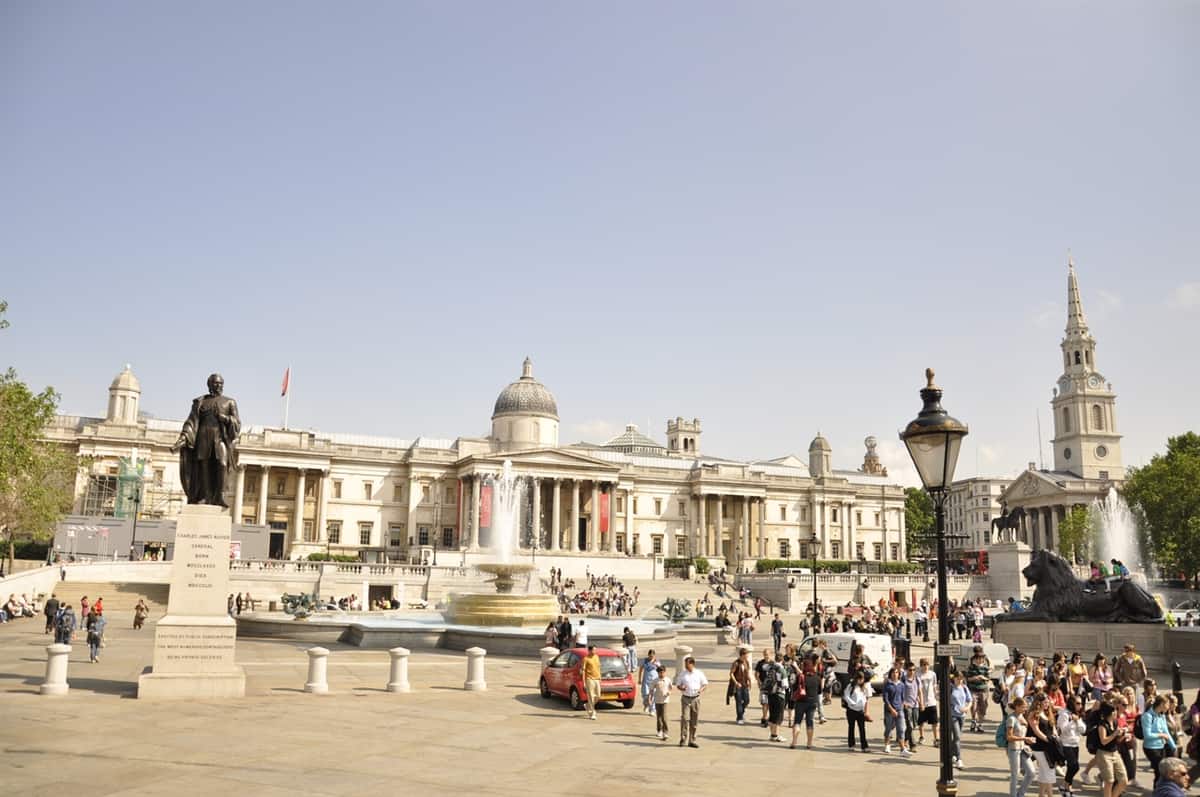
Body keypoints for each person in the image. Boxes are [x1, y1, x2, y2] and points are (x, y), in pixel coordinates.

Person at [1096, 701, 1130, 797]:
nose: (1116, 712)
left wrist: (1123, 734)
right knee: (1109, 781)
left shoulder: (1115, 722)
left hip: (1115, 753)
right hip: (1104, 754)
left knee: (1123, 780)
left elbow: (1117, 740)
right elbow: (1103, 741)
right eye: (1115, 710)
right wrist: (1115, 733)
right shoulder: (1102, 725)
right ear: (1110, 713)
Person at [1142, 695, 1177, 788]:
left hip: (1161, 747)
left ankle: (1161, 790)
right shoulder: (1147, 716)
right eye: (1167, 705)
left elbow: (1166, 732)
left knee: (1163, 771)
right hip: (1151, 748)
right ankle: (1158, 791)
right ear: (1161, 704)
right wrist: (1161, 735)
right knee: (1160, 771)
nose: (1168, 707)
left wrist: (1174, 747)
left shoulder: (1161, 716)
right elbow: (1147, 735)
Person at [1027, 694, 1059, 797]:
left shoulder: (1047, 712)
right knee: (1049, 770)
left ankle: (1041, 795)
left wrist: (1055, 737)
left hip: (1049, 746)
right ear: (1038, 703)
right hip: (1040, 747)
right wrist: (1048, 740)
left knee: (1043, 772)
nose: (1047, 704)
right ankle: (1050, 795)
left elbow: (1053, 727)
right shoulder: (1033, 714)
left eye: (1048, 702)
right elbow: (1036, 731)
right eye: (1045, 702)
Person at [674, 656, 708, 748]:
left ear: (692, 664)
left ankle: (692, 740)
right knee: (685, 718)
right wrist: (681, 687)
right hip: (685, 698)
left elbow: (705, 684)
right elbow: (677, 685)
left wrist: (701, 689)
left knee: (694, 720)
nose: (685, 666)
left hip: (695, 698)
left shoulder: (699, 673)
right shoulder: (683, 674)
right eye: (685, 664)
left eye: (687, 664)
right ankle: (683, 739)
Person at [790, 653, 823, 750]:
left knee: (797, 722)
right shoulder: (817, 678)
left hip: (801, 701)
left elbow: (795, 688)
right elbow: (819, 691)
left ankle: (794, 742)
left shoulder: (800, 677)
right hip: (812, 702)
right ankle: (809, 743)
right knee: (810, 722)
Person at [1006, 697, 1037, 797]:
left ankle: (1020, 794)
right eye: (1023, 707)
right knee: (1015, 775)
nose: (1025, 709)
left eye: (1026, 707)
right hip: (1013, 749)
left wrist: (1027, 740)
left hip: (1022, 748)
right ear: (1017, 707)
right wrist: (1025, 739)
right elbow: (1009, 737)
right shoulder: (1011, 718)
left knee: (1031, 772)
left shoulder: (1023, 716)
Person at [1059, 694, 1086, 795]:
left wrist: (1077, 720)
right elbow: (1063, 729)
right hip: (1066, 744)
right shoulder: (1064, 714)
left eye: (1081, 703)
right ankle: (1065, 785)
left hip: (1075, 744)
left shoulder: (1077, 715)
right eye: (1078, 703)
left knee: (1071, 767)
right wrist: (1072, 721)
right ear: (1072, 703)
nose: (1080, 706)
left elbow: (1083, 729)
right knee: (1075, 767)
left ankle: (1066, 788)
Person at [883, 666, 912, 756]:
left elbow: (902, 697)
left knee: (901, 729)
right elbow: (886, 699)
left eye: (896, 673)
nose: (895, 674)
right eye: (893, 673)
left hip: (900, 710)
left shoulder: (901, 685)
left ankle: (902, 749)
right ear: (890, 674)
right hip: (889, 710)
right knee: (889, 728)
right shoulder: (887, 685)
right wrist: (891, 709)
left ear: (899, 674)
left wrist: (904, 704)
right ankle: (887, 744)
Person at [764, 648, 791, 742]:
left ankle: (772, 734)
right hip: (779, 695)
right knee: (778, 716)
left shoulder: (770, 667)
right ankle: (776, 735)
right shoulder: (781, 669)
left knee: (772, 714)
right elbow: (785, 685)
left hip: (771, 693)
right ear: (782, 659)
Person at [843, 671, 873, 753]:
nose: (860, 681)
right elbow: (846, 696)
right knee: (851, 727)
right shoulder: (851, 686)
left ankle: (864, 746)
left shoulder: (864, 687)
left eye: (862, 679)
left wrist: (865, 710)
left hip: (860, 711)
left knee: (862, 728)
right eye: (859, 679)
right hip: (851, 710)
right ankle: (851, 745)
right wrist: (852, 703)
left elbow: (866, 698)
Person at [966, 644, 992, 732]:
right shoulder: (971, 667)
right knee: (973, 705)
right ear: (975, 658)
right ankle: (973, 720)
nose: (980, 660)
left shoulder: (985, 667)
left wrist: (982, 677)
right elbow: (968, 678)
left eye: (981, 658)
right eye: (978, 658)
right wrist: (974, 678)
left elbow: (988, 678)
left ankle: (980, 724)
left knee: (983, 707)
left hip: (983, 690)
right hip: (973, 689)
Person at [949, 671, 971, 768]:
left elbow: (970, 700)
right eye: (957, 678)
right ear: (954, 678)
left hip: (962, 715)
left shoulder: (964, 688)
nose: (959, 680)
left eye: (961, 679)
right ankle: (959, 758)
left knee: (957, 737)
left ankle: (952, 753)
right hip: (953, 715)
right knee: (957, 736)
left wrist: (967, 708)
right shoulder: (950, 688)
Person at [916, 657, 940, 745]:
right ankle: (921, 736)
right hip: (922, 702)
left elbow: (934, 686)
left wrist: (936, 695)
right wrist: (919, 701)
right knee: (921, 722)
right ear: (921, 666)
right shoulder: (918, 675)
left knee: (935, 722)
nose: (925, 667)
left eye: (927, 665)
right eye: (923, 665)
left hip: (931, 701)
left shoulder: (932, 674)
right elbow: (917, 689)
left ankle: (936, 738)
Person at [729, 647, 752, 725]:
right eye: (746, 656)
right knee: (738, 701)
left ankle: (741, 712)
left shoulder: (747, 662)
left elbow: (747, 673)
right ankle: (739, 718)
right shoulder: (736, 663)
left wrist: (749, 681)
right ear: (742, 655)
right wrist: (736, 683)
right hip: (738, 685)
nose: (747, 657)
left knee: (747, 700)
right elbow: (731, 674)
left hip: (745, 684)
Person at [581, 644, 602, 720]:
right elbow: (583, 671)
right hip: (589, 679)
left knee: (598, 696)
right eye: (593, 650)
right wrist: (583, 682)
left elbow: (599, 667)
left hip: (597, 679)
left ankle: (587, 705)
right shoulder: (585, 659)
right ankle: (592, 713)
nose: (595, 651)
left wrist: (600, 677)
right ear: (589, 650)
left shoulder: (596, 657)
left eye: (595, 650)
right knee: (591, 697)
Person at [754, 648, 773, 728]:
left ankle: (766, 717)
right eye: (765, 654)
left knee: (770, 703)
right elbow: (756, 674)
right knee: (765, 703)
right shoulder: (760, 663)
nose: (766, 656)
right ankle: (764, 718)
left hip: (771, 686)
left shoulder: (773, 663)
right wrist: (759, 682)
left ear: (770, 654)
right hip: (763, 686)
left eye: (767, 654)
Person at [638, 650, 659, 715]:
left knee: (652, 696)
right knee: (646, 695)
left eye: (652, 656)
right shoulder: (645, 661)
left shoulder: (657, 662)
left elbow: (661, 670)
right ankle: (646, 705)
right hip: (646, 681)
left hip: (653, 681)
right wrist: (639, 679)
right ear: (648, 655)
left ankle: (652, 710)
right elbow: (641, 669)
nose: (651, 657)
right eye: (650, 656)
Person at [653, 665, 671, 740]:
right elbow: (651, 689)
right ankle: (659, 730)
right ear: (658, 673)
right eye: (660, 673)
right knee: (659, 717)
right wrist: (650, 698)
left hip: (665, 700)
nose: (661, 674)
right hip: (657, 700)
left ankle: (665, 732)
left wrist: (669, 692)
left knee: (664, 717)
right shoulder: (655, 680)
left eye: (663, 672)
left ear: (665, 672)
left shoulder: (668, 680)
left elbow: (670, 688)